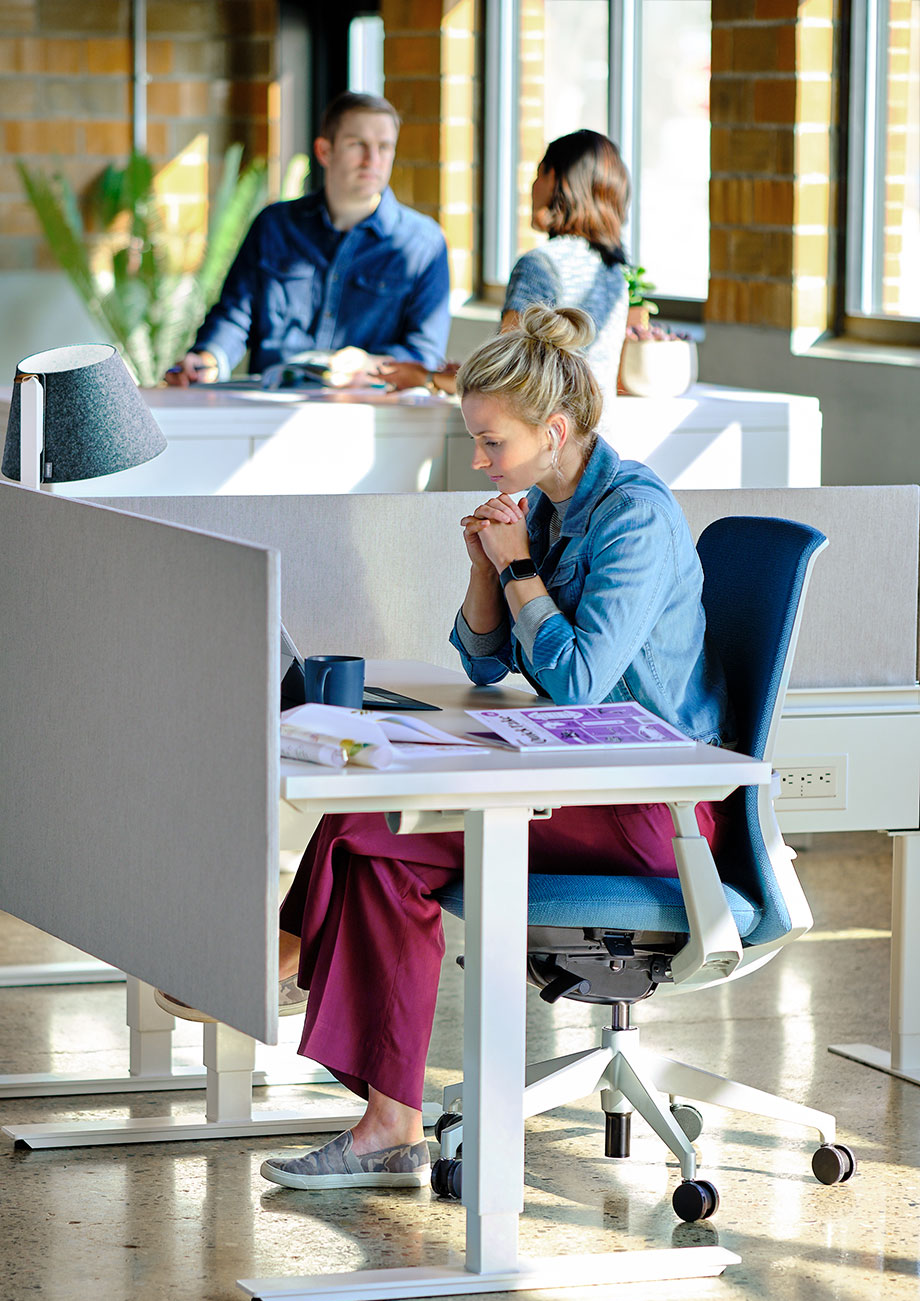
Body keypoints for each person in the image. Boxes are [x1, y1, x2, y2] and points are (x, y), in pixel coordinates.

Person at [251, 304, 735, 1191]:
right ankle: (382, 1116)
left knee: (375, 828)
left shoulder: (636, 520)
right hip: (579, 775)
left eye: (491, 443)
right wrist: (486, 568)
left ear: (553, 432)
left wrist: (517, 571)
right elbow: (480, 662)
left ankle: (276, 969)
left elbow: (580, 679)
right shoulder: (547, 509)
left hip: (653, 807)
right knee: (375, 837)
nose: (480, 461)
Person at [165, 92, 451, 390]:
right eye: (358, 145)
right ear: (325, 151)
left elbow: (424, 354)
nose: (373, 160)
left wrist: (367, 364)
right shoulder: (274, 225)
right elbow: (235, 316)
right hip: (269, 405)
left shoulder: (424, 244)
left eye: (385, 147)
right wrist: (207, 359)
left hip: (369, 414)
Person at [379, 129, 629, 410]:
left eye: (538, 174)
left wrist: (425, 377)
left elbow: (504, 379)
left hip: (540, 447)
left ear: (556, 180)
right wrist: (464, 372)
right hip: (594, 446)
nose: (532, 187)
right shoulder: (614, 274)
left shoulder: (539, 266)